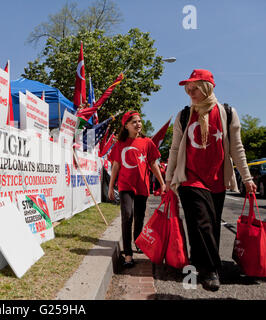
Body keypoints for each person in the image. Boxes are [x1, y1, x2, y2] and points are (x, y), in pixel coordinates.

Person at [165, 69, 256, 291]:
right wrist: (169, 179)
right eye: (188, 88)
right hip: (190, 178)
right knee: (202, 221)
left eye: (194, 87)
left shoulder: (227, 113)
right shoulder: (184, 115)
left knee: (211, 225)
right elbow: (175, 148)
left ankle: (199, 262)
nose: (190, 91)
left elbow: (236, 148)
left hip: (216, 180)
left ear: (207, 87)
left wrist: (247, 178)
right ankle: (211, 270)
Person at [108, 111, 166, 268]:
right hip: (125, 185)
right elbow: (116, 166)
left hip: (142, 186)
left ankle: (138, 241)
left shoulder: (147, 142)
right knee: (127, 215)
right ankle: (128, 254)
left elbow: (153, 164)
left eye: (139, 121)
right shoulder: (120, 144)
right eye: (134, 122)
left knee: (139, 217)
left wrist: (162, 183)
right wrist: (111, 186)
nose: (138, 124)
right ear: (126, 125)